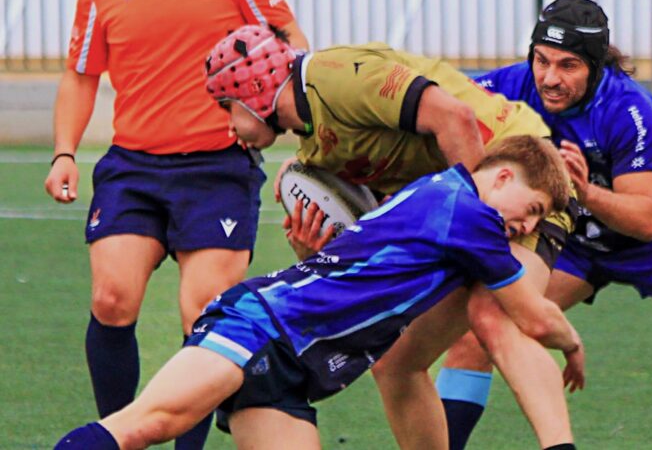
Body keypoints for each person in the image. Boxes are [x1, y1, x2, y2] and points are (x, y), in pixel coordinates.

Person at [54, 134, 581, 450]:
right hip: (260, 327)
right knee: (146, 425)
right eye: (532, 209)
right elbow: (533, 317)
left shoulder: (443, 196)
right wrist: (573, 346)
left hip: (291, 368)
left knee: (150, 425)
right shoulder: (468, 214)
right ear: (503, 177)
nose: (525, 226)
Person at [206, 24, 583, 449]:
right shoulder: (314, 156)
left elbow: (454, 117)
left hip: (524, 181)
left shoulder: (336, 76)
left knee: (492, 313)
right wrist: (311, 251)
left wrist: (474, 222)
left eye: (227, 107)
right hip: (467, 211)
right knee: (396, 363)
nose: (229, 126)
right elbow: (372, 241)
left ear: (254, 89)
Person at [437, 0, 652, 446]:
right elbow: (441, 108)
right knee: (476, 334)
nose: (550, 78)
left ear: (596, 64)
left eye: (568, 66)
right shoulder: (510, 85)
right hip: (572, 242)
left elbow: (644, 220)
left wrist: (585, 191)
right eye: (542, 60)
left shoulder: (631, 109)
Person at [43, 0, 308, 448]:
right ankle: (118, 437)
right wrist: (64, 152)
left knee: (204, 311)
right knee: (111, 298)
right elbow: (81, 74)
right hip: (133, 164)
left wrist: (274, 116)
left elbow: (291, 44)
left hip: (219, 166)